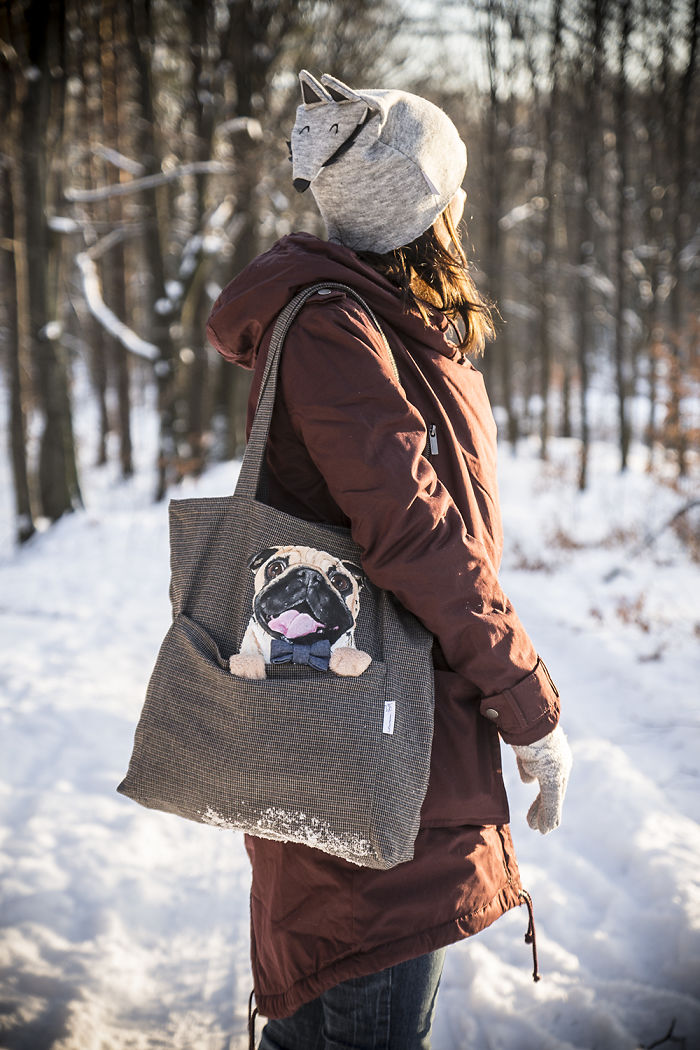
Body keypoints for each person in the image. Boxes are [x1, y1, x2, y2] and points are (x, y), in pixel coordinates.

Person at [206, 70, 573, 1050]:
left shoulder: (380, 326)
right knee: (355, 1011)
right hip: (367, 738)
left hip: (361, 723)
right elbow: (418, 536)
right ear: (429, 209)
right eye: (453, 195)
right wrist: (526, 701)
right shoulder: (338, 329)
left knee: (327, 1006)